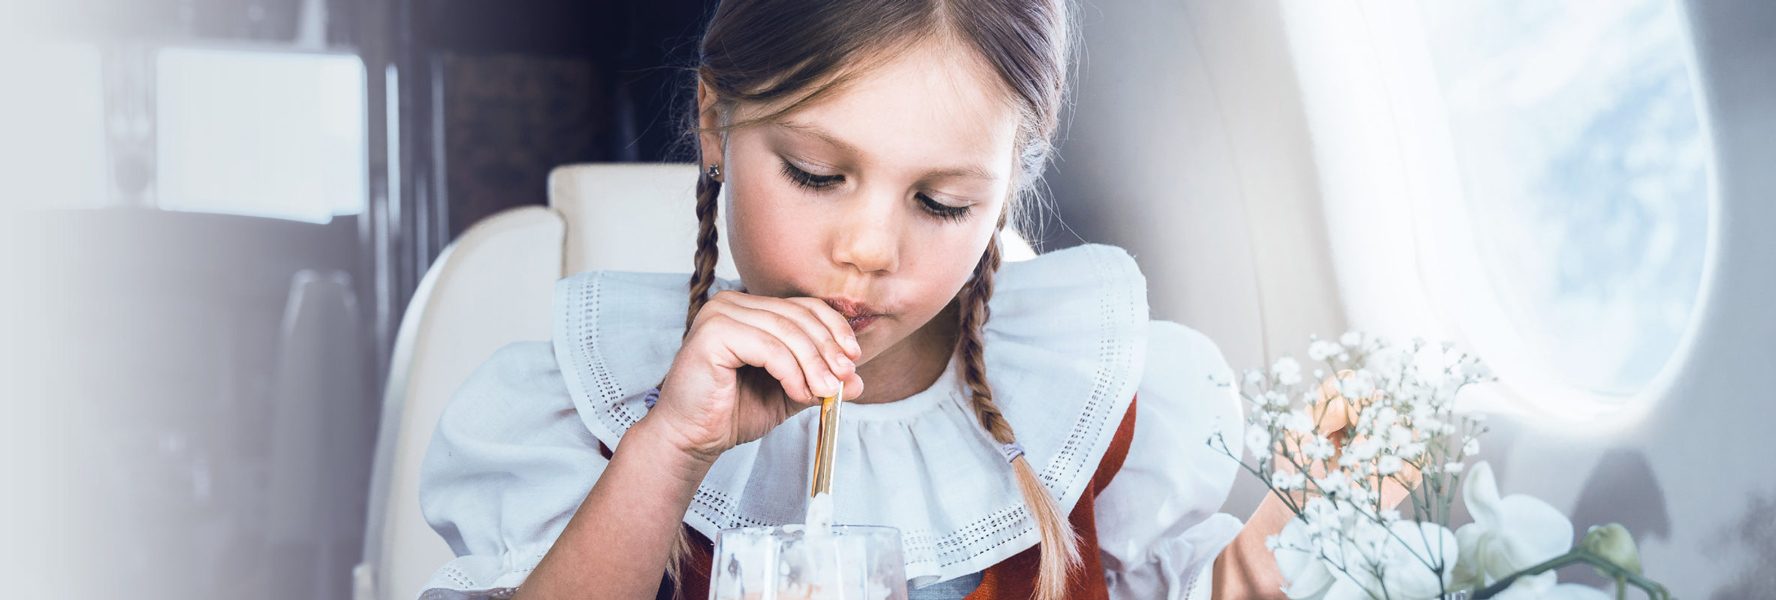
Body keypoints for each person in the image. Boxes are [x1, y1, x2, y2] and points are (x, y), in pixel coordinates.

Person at [417, 0, 1275, 598]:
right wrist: (669, 451)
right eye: (816, 175)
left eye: (942, 203)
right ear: (715, 123)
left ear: (1007, 189)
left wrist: (1283, 555)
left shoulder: (1094, 415)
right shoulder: (586, 417)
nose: (869, 250)